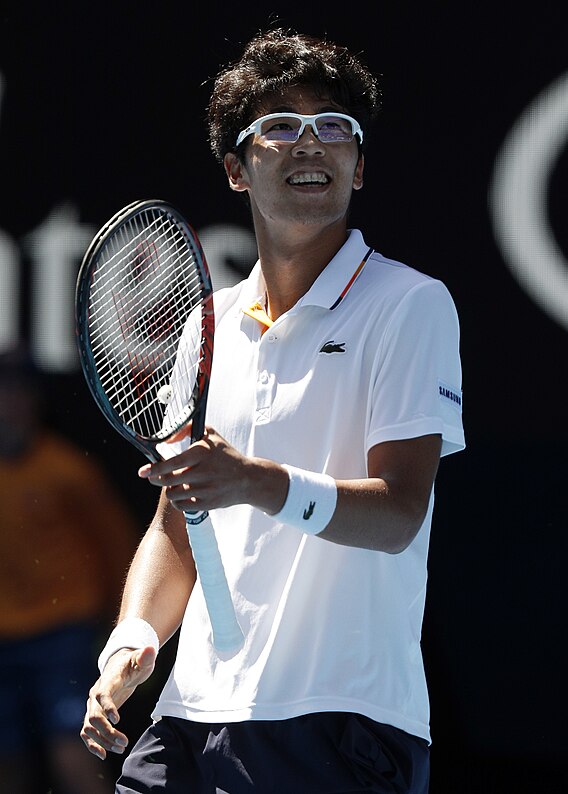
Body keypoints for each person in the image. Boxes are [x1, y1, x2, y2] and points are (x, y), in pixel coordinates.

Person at [80, 28, 465, 793]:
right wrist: (135, 638)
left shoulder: (412, 305)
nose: (310, 142)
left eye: (332, 126)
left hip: (341, 722)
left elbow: (397, 515)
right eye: (279, 125)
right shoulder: (207, 324)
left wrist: (254, 481)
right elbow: (177, 521)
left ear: (359, 165)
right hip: (190, 718)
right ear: (236, 168)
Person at [0, 343, 139, 793]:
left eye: (18, 393)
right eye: (2, 393)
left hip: (64, 635)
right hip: (3, 640)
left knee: (72, 757)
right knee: (8, 762)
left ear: (34, 401)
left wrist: (116, 627)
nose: (9, 405)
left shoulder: (68, 472)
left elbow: (121, 551)